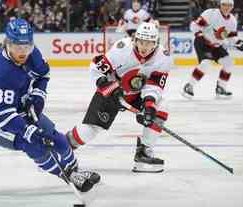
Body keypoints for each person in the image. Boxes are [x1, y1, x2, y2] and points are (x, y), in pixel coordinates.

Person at [0, 18, 100, 192]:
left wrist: (38, 95)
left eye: (27, 46)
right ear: (7, 44)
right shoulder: (2, 72)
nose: (23, 52)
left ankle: (76, 171)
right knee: (33, 144)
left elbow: (43, 74)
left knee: (57, 138)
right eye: (18, 47)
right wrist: (28, 131)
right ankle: (67, 176)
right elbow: (4, 117)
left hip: (19, 106)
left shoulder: (33, 54)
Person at [66, 22, 172, 173]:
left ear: (156, 43)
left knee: (161, 106)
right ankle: (62, 147)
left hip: (137, 93)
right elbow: (96, 68)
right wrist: (107, 86)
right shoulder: (122, 49)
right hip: (111, 90)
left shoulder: (163, 57)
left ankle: (144, 152)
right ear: (135, 39)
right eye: (141, 42)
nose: (144, 47)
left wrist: (149, 106)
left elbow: (154, 86)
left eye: (148, 43)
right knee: (90, 131)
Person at [182, 0, 243, 99]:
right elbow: (194, 25)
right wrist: (199, 35)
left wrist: (240, 43)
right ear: (220, 5)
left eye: (229, 5)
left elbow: (231, 38)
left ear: (232, 7)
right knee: (206, 63)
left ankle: (221, 88)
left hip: (217, 46)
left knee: (229, 63)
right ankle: (189, 86)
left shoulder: (233, 20)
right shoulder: (211, 13)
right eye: (224, 4)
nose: (226, 7)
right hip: (203, 43)